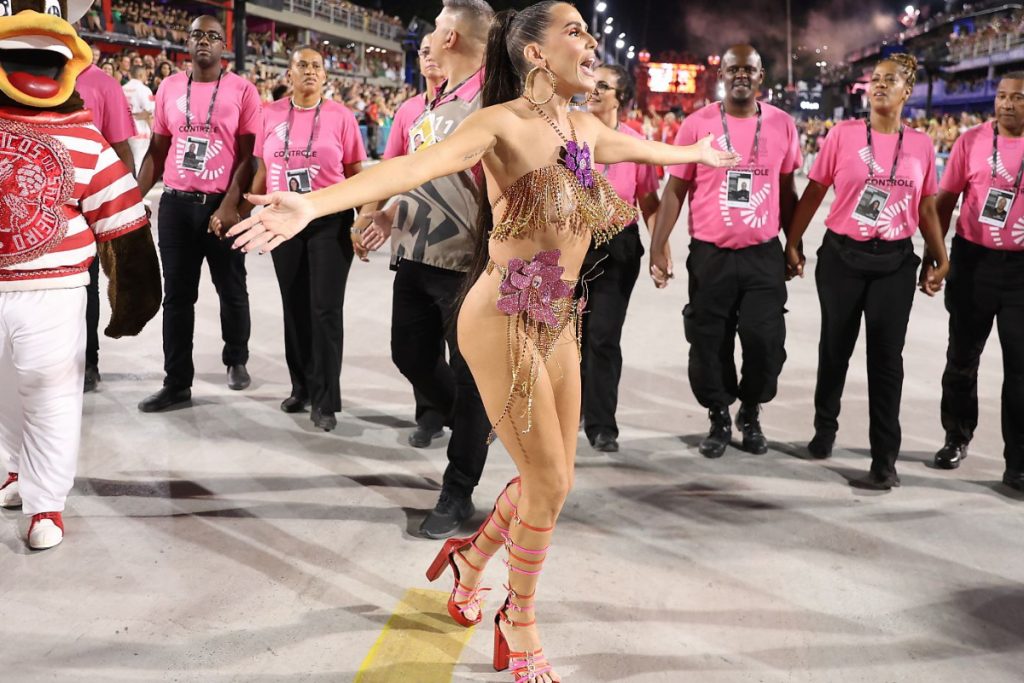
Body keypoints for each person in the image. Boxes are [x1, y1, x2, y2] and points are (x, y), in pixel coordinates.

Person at [228, 3, 736, 678]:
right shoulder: (498, 124)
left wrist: (695, 152)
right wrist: (315, 203)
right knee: (548, 479)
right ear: (534, 54)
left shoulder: (580, 125)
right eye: (575, 31)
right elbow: (414, 167)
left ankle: (470, 560)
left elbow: (642, 149)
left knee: (551, 485)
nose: (589, 43)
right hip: (502, 314)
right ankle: (516, 616)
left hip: (558, 318)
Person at [0, 0, 160, 550]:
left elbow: (122, 215)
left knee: (50, 392)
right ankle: (17, 469)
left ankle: (47, 503)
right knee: (3, 392)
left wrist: (134, 293)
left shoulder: (83, 134)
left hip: (54, 287)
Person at [357, 0, 495, 540]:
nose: (429, 38)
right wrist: (384, 212)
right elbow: (408, 175)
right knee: (408, 354)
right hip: (414, 254)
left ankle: (457, 488)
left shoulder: (492, 101)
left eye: (437, 29)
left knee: (469, 374)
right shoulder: (426, 106)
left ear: (454, 39)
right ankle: (473, 424)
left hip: (466, 265)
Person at [784, 53, 950, 490]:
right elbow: (815, 191)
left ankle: (884, 458)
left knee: (886, 360)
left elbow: (928, 206)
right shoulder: (842, 135)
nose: (878, 86)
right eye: (875, 79)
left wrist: (939, 255)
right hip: (842, 258)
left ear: (906, 92)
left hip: (894, 261)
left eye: (889, 80)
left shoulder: (921, 144)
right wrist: (793, 241)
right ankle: (824, 429)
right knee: (834, 348)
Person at [650, 44, 801, 459]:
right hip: (711, 254)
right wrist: (658, 245)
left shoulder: (783, 125)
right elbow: (675, 189)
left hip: (762, 254)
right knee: (708, 341)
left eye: (748, 69)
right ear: (723, 75)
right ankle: (718, 414)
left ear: (760, 78)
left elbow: (788, 192)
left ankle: (750, 410)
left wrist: (794, 244)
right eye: (732, 68)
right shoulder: (697, 124)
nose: (740, 75)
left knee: (764, 338)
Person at [233, 46, 366, 432]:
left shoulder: (342, 117)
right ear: (288, 74)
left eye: (317, 67)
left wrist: (361, 223)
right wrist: (241, 214)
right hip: (281, 222)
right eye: (302, 65)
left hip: (328, 219)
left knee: (325, 310)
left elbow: (357, 174)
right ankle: (302, 388)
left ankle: (326, 401)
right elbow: (261, 172)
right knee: (293, 306)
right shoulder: (269, 115)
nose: (310, 71)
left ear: (325, 77)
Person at [136, 15, 263, 413]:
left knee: (231, 288)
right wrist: (128, 198)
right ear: (186, 43)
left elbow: (249, 156)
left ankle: (236, 358)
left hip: (219, 206)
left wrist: (230, 205)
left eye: (212, 36)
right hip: (175, 205)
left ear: (223, 46)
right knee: (176, 297)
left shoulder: (242, 90)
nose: (203, 41)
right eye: (196, 35)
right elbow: (157, 152)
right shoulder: (170, 87)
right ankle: (176, 383)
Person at [929, 72, 1024, 492]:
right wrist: (939, 255)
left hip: (1021, 273)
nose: (1006, 104)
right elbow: (945, 202)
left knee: (1020, 371)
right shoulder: (970, 141)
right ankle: (956, 436)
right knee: (962, 360)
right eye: (1002, 96)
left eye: (1018, 98)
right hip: (974, 263)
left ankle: (1018, 460)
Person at [373, 34, 450, 446]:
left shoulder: (472, 107)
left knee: (463, 346)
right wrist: (373, 214)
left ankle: (464, 419)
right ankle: (433, 412)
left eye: (438, 50)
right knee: (413, 345)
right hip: (413, 240)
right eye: (424, 52)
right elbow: (390, 169)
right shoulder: (407, 111)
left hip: (462, 246)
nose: (431, 58)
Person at [581, 63, 660, 452]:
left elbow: (648, 198)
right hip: (571, 244)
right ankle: (569, 407)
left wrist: (660, 247)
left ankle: (601, 424)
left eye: (603, 87)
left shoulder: (635, 141)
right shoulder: (569, 133)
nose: (593, 91)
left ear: (621, 98)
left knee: (603, 336)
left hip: (618, 246)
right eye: (591, 84)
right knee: (567, 335)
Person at [76, 51, 138, 394]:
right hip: (28, 200)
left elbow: (120, 148)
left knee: (86, 286)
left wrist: (125, 209)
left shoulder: (102, 84)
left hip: (83, 206)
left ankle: (88, 361)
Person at [123, 64, 156, 174]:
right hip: (139, 128)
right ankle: (135, 188)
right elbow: (150, 111)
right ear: (141, 74)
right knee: (138, 159)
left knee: (125, 160)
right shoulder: (144, 90)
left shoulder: (122, 88)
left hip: (123, 127)